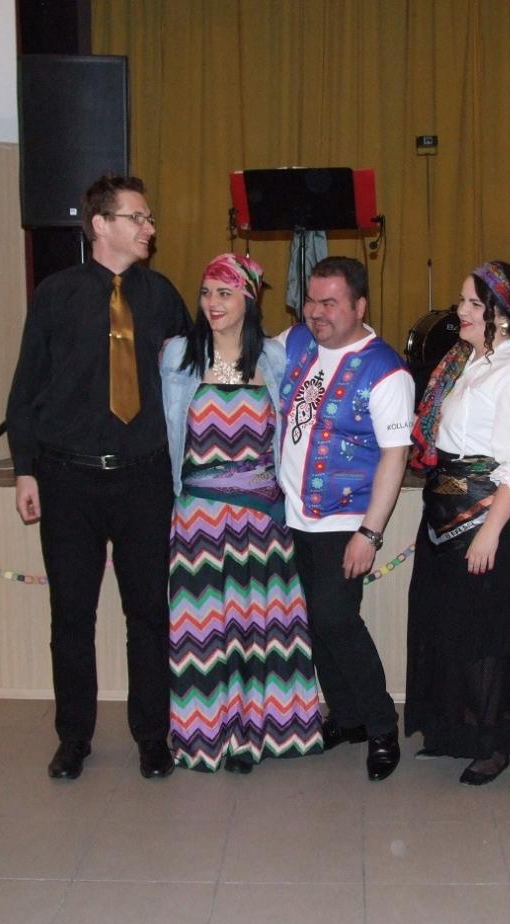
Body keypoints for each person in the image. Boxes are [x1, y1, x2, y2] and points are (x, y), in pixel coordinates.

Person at [6, 174, 191, 781]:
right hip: (68, 479)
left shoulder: (161, 296)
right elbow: (27, 387)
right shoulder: (56, 295)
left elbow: (191, 383)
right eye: (138, 218)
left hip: (144, 478)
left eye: (149, 218)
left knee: (149, 614)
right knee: (71, 616)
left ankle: (152, 736)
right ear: (101, 225)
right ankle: (74, 737)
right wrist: (24, 469)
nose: (149, 229)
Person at [160, 253, 323, 772]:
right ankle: (209, 734)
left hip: (261, 518)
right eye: (207, 292)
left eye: (225, 293)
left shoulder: (275, 357)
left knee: (260, 628)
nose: (212, 303)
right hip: (200, 519)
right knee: (206, 629)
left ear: (249, 300)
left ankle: (261, 733)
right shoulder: (178, 354)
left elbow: (305, 415)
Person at [404, 261, 510, 785]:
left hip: (490, 518)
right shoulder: (465, 364)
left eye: (473, 303)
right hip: (445, 515)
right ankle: (453, 733)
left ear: (501, 314)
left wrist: (490, 531)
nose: (461, 312)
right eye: (461, 302)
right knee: (446, 626)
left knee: (486, 631)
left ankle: (492, 743)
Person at [277, 256, 414, 781]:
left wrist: (369, 533)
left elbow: (395, 457)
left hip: (345, 519)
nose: (317, 312)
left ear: (359, 306)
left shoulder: (385, 369)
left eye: (330, 303)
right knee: (314, 621)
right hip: (291, 516)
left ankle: (381, 725)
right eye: (311, 301)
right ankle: (348, 715)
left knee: (337, 619)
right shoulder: (296, 344)